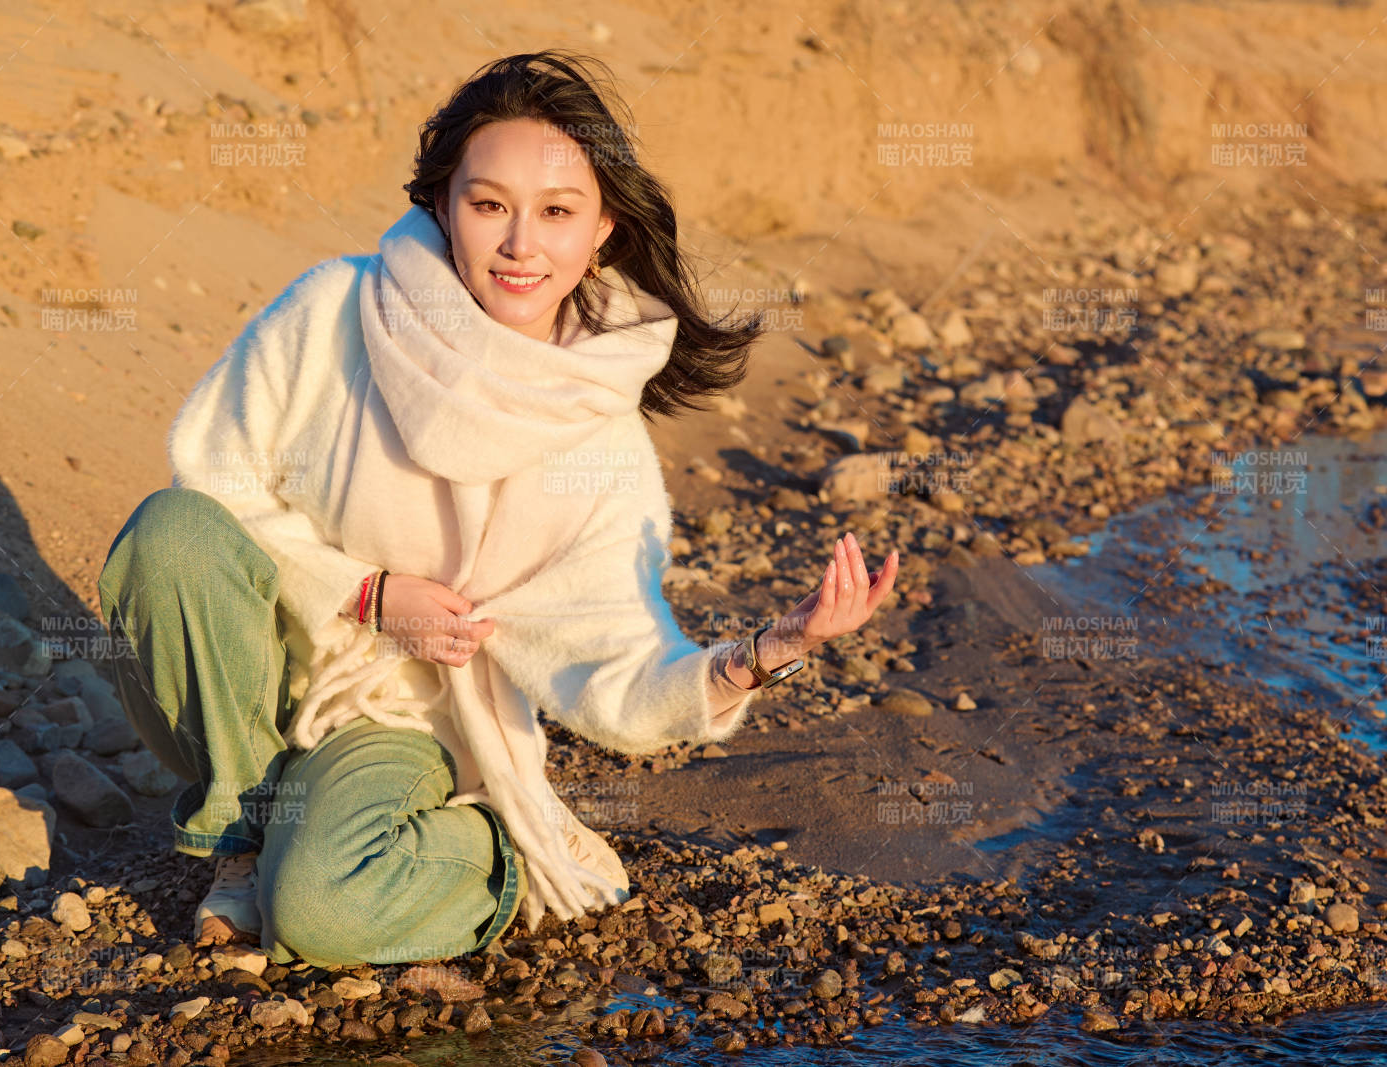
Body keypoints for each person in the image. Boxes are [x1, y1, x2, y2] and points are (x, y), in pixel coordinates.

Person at [96, 50, 900, 969]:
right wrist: (367, 594)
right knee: (169, 534)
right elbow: (210, 485)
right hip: (232, 677)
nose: (521, 244)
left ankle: (496, 850)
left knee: (319, 915)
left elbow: (620, 674)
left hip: (392, 720)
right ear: (442, 205)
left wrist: (768, 654)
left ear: (601, 230)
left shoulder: (595, 443)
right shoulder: (330, 312)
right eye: (489, 205)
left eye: (557, 212)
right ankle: (238, 836)